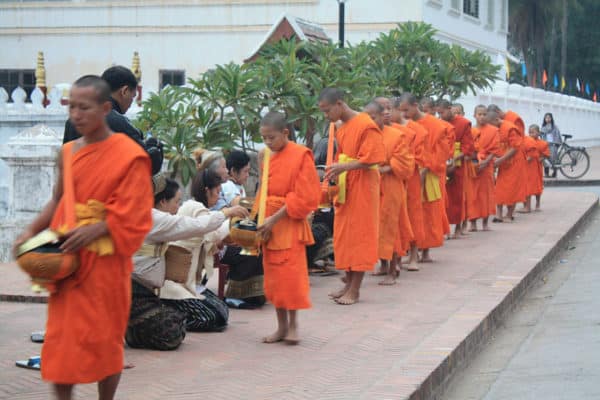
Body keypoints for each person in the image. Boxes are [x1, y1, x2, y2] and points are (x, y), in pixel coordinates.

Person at [14, 75, 153, 400]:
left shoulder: (129, 155)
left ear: (105, 108)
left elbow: (137, 211)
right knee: (61, 345)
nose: (76, 114)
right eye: (71, 107)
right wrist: (30, 231)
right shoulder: (67, 152)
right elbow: (58, 199)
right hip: (68, 263)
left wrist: (98, 227)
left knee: (106, 343)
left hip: (105, 264)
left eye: (84, 107)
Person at [127, 175, 248, 350]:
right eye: (176, 202)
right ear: (162, 202)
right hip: (140, 289)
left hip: (153, 289)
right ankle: (130, 329)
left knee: (220, 310)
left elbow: (211, 235)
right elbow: (198, 226)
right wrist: (226, 213)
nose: (178, 207)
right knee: (174, 330)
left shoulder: (147, 214)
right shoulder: (153, 217)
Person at [256, 111, 320, 343]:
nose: (267, 143)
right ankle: (280, 326)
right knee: (273, 279)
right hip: (268, 225)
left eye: (271, 138)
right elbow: (263, 191)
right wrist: (259, 218)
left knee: (291, 277)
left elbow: (304, 196)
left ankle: (293, 325)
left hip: (289, 223)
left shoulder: (301, 155)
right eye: (264, 138)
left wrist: (274, 219)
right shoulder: (265, 156)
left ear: (285, 133)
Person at [319, 88, 385, 305]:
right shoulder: (342, 128)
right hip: (347, 185)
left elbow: (373, 159)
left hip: (364, 187)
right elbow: (343, 156)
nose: (326, 116)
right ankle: (348, 284)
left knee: (360, 236)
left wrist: (344, 166)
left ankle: (355, 289)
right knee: (345, 236)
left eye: (328, 111)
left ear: (339, 104)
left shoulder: (366, 124)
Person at [159, 169, 246, 332]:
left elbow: (213, 236)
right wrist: (234, 218)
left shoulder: (200, 208)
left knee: (222, 311)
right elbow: (213, 232)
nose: (219, 196)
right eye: (218, 191)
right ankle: (173, 317)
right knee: (209, 318)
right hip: (177, 282)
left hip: (192, 282)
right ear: (207, 190)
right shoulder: (195, 207)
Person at [398, 93, 449, 264]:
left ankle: (425, 251)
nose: (404, 114)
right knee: (413, 212)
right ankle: (413, 251)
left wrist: (427, 167)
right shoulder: (405, 125)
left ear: (415, 105)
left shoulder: (434, 125)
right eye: (401, 111)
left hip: (429, 172)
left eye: (406, 110)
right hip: (411, 172)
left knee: (427, 213)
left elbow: (441, 151)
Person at [365, 100, 412, 285]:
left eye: (386, 111)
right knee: (376, 227)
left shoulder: (396, 135)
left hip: (391, 186)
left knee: (390, 228)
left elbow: (405, 163)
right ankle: (383, 265)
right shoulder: (367, 135)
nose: (373, 119)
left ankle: (393, 270)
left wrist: (382, 169)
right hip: (372, 187)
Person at [220, 150, 267, 307]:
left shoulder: (239, 186)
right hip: (223, 237)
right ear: (233, 171)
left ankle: (252, 292)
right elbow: (239, 204)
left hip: (234, 232)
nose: (248, 175)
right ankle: (236, 294)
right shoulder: (227, 186)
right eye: (246, 171)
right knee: (251, 250)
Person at [392, 97, 428, 271]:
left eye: (403, 110)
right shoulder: (386, 129)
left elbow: (421, 160)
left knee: (413, 216)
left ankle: (414, 255)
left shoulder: (416, 130)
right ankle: (396, 258)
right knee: (395, 217)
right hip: (393, 178)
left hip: (412, 178)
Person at [438, 99, 474, 238]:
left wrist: (455, 158)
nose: (440, 116)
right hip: (442, 162)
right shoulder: (439, 123)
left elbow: (468, 146)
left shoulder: (463, 123)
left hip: (457, 163)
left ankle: (458, 227)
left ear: (450, 108)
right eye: (438, 113)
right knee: (443, 197)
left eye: (442, 112)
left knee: (458, 196)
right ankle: (444, 228)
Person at [487, 107, 526, 223]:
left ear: (497, 119)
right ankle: (499, 215)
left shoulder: (510, 128)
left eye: (491, 124)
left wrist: (501, 159)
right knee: (499, 188)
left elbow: (515, 148)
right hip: (503, 162)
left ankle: (509, 214)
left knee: (512, 189)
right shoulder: (497, 128)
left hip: (515, 162)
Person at [469, 105, 501, 232]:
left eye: (484, 114)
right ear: (474, 115)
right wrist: (475, 161)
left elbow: (495, 150)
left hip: (487, 166)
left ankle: (485, 222)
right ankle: (472, 223)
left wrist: (486, 162)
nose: (481, 117)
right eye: (479, 114)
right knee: (473, 195)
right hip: (473, 166)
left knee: (486, 195)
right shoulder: (470, 131)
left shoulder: (493, 130)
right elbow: (468, 149)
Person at [520, 125, 550, 212]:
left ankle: (537, 204)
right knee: (526, 186)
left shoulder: (542, 143)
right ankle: (526, 205)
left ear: (538, 133)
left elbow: (546, 154)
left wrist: (541, 158)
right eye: (529, 132)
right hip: (527, 167)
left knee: (537, 186)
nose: (531, 134)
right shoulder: (526, 142)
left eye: (533, 132)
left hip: (536, 168)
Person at [540, 112, 562, 178]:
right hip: (546, 145)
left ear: (551, 118)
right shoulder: (543, 127)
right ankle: (546, 173)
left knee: (553, 159)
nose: (548, 119)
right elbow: (541, 136)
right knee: (545, 159)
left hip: (553, 145)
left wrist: (556, 143)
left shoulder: (555, 127)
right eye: (546, 118)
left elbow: (557, 136)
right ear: (544, 119)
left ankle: (554, 173)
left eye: (549, 117)